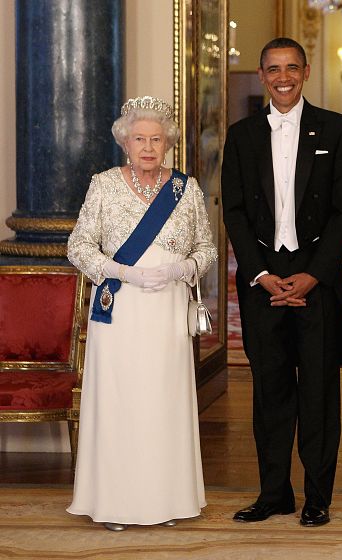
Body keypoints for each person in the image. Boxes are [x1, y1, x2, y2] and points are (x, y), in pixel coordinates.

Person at [221, 38, 342, 528]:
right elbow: (233, 211)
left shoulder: (338, 130)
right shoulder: (240, 135)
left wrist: (312, 275)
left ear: (305, 71)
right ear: (261, 75)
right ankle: (273, 493)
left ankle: (317, 497)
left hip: (316, 279)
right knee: (270, 392)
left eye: (292, 68)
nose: (284, 77)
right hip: (263, 280)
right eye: (274, 69)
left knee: (319, 393)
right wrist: (261, 275)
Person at [67, 96, 217, 531]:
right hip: (120, 309)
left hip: (167, 309)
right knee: (121, 402)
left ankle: (168, 500)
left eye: (156, 139)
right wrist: (115, 270)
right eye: (139, 139)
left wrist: (183, 268)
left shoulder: (184, 189)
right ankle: (115, 503)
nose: (148, 146)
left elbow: (206, 248)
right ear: (125, 142)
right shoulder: (104, 184)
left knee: (162, 402)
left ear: (167, 143)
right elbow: (78, 246)